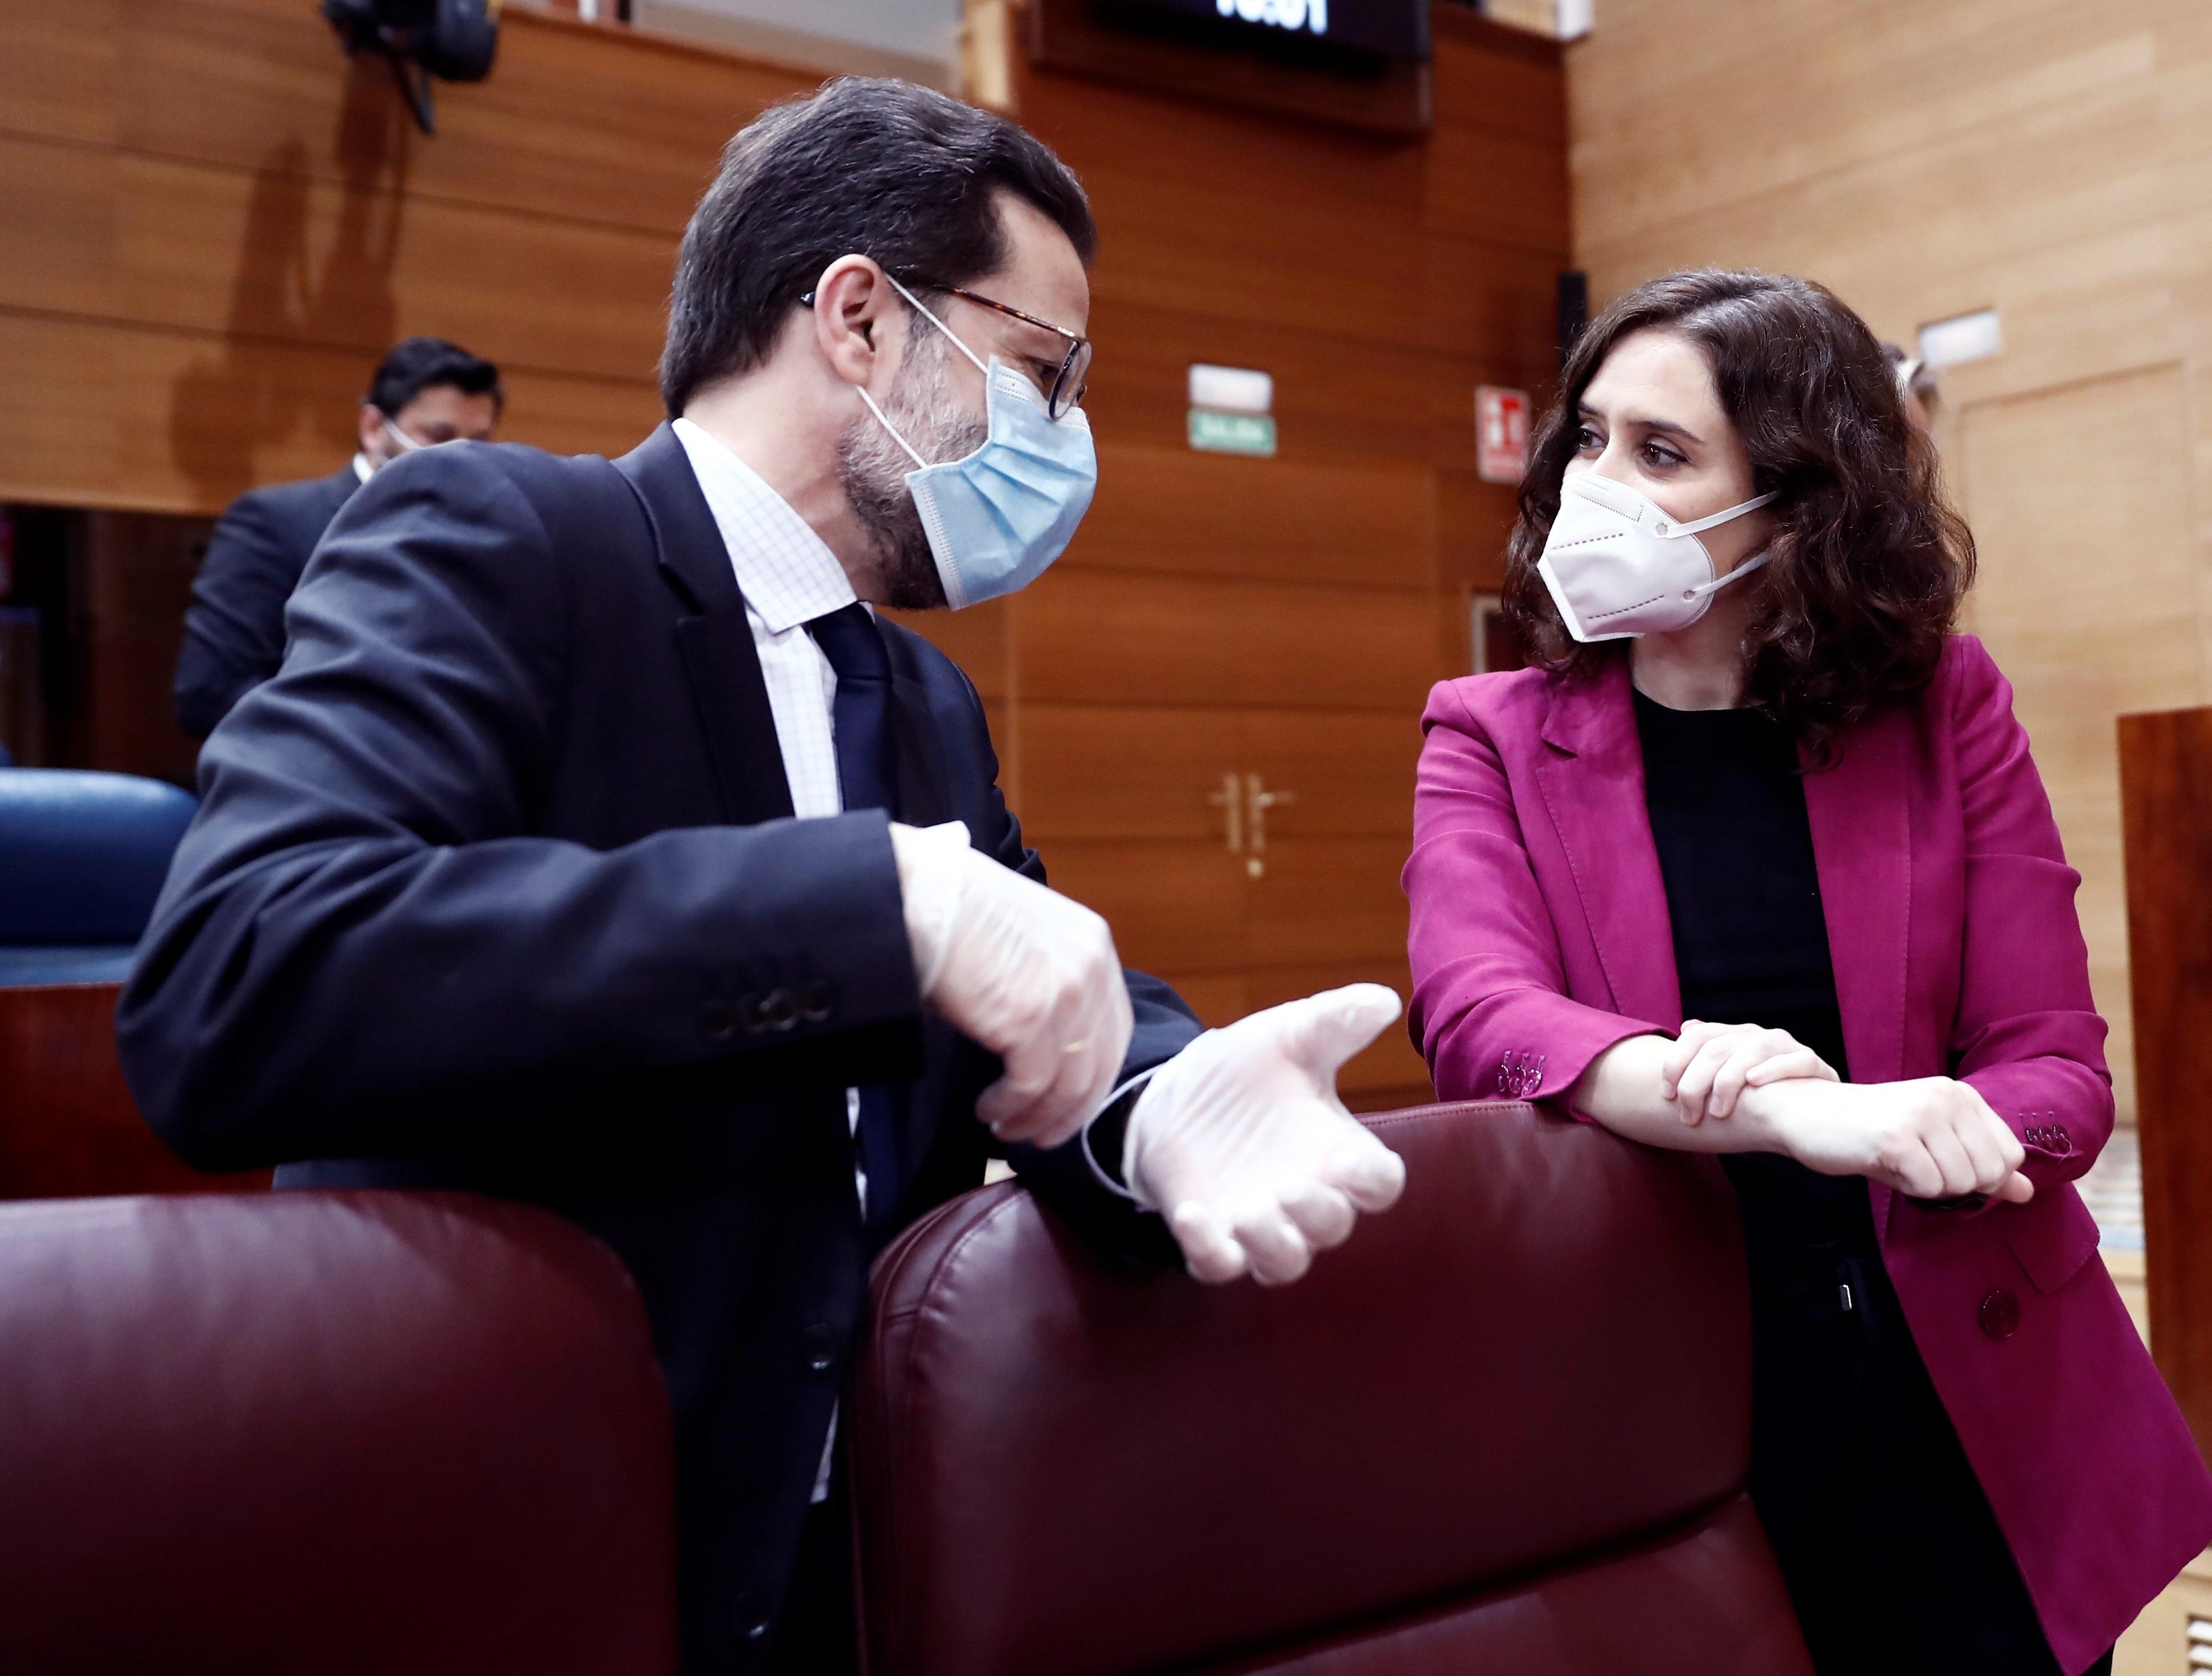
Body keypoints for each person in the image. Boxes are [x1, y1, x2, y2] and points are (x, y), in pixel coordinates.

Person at [119, 80, 1406, 1676]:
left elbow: (1026, 969)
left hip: (836, 1555)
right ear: (861, 320)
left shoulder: (922, 698)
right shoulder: (506, 535)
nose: (1065, 443)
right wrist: (870, 907)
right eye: (1040, 373)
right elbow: (241, 979)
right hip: (519, 1549)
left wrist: (1156, 1102)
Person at [1402, 270, 2212, 1675]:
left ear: (1797, 502)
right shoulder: (1486, 729)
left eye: (1659, 454)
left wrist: (1961, 1127)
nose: (1596, 484)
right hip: (1665, 1393)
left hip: (1958, 1385)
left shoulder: (1943, 707)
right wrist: (1770, 1102)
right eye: (1588, 439)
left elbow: (2054, 1064)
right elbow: (1479, 1013)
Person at [171, 336, 503, 738]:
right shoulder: (275, 523)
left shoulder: (490, 541)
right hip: (312, 783)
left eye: (479, 443)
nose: (461, 460)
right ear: (375, 428)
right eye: (438, 436)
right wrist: (372, 742)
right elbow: (211, 690)